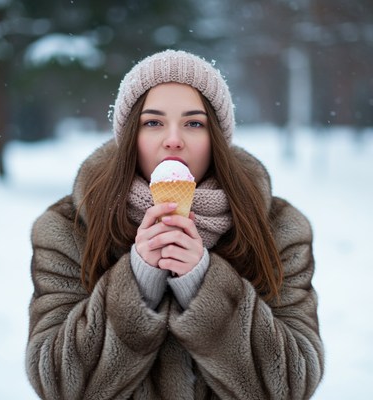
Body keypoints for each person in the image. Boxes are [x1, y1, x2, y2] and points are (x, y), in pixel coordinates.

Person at [26, 50, 324, 399]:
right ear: (129, 137)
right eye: (153, 122)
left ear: (217, 139)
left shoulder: (277, 229)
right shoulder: (68, 229)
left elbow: (292, 384)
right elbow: (57, 383)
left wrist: (204, 286)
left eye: (194, 123)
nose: (173, 139)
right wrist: (137, 283)